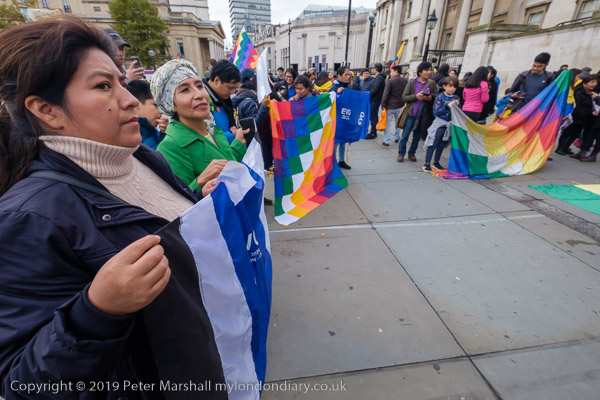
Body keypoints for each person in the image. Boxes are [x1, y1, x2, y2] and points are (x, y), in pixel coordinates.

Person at [0, 17, 220, 399]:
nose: (130, 98)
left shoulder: (145, 159)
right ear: (46, 110)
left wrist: (204, 200)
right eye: (104, 86)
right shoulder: (28, 218)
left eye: (121, 81)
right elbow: (19, 383)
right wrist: (96, 312)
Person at [153, 59, 247, 192]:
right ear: (169, 103)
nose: (199, 95)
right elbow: (177, 199)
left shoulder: (213, 130)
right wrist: (199, 183)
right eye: (185, 90)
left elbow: (226, 163)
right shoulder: (169, 147)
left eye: (199, 86)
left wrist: (238, 143)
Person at [232, 68, 273, 171]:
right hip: (253, 146)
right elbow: (254, 125)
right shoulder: (249, 101)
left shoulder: (242, 96)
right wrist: (264, 107)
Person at [397, 61, 439, 163]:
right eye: (426, 70)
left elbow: (437, 98)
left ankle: (412, 153)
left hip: (423, 115)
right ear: (420, 72)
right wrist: (416, 96)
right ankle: (401, 153)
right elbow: (404, 97)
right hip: (411, 114)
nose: (428, 72)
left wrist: (430, 98)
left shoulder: (432, 83)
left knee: (417, 137)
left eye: (430, 70)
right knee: (405, 135)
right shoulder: (412, 83)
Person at [202, 59, 247, 143]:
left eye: (234, 88)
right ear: (216, 80)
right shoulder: (202, 100)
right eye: (229, 88)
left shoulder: (223, 98)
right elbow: (206, 135)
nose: (232, 92)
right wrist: (233, 135)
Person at [423, 76, 460, 172]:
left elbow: (458, 112)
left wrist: (457, 105)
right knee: (433, 143)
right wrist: (447, 107)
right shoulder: (440, 97)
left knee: (442, 144)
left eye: (454, 87)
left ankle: (436, 162)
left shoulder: (456, 98)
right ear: (444, 86)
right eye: (450, 86)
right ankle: (427, 163)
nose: (452, 89)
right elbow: (436, 112)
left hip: (449, 124)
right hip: (440, 123)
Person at [555, 75, 599, 157]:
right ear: (585, 83)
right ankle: (560, 148)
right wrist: (590, 112)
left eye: (596, 82)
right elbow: (577, 107)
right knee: (567, 133)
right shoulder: (579, 92)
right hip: (575, 117)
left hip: (584, 119)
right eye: (592, 82)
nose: (594, 84)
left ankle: (566, 147)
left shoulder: (591, 94)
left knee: (575, 135)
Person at [127, 79, 167, 149]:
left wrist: (163, 133)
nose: (161, 111)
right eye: (155, 105)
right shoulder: (136, 135)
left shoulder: (150, 128)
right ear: (136, 105)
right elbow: (160, 154)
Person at [330, 66, 352, 169]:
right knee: (336, 141)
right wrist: (336, 93)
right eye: (346, 75)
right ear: (339, 76)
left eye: (349, 74)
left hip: (345, 117)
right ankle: (333, 162)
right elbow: (329, 99)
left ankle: (341, 160)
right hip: (337, 119)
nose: (348, 76)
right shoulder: (334, 86)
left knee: (343, 140)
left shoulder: (347, 85)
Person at [380, 65, 407, 146]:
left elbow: (385, 94)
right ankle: (397, 137)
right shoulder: (405, 81)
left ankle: (386, 140)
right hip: (400, 105)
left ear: (395, 71)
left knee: (387, 124)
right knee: (397, 123)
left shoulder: (390, 81)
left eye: (391, 71)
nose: (390, 73)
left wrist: (383, 104)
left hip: (390, 105)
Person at [367, 62, 386, 139]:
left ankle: (373, 133)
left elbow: (374, 89)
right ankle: (373, 131)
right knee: (373, 116)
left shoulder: (379, 78)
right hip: (375, 99)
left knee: (373, 117)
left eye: (373, 69)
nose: (373, 70)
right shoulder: (379, 77)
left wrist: (368, 94)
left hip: (375, 99)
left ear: (376, 69)